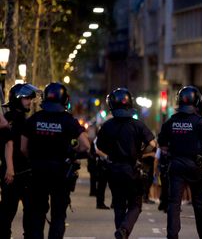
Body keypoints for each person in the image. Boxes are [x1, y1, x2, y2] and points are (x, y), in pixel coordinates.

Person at [21, 82, 90, 239]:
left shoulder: (34, 119)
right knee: (58, 215)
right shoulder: (68, 120)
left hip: (37, 173)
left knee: (37, 214)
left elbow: (23, 148)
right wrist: (74, 152)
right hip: (60, 173)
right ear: (64, 100)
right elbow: (86, 145)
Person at [158, 86, 202, 239]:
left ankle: (172, 235)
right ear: (196, 101)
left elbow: (163, 146)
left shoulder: (170, 122)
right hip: (194, 166)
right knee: (198, 203)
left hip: (175, 165)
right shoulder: (199, 122)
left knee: (174, 203)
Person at [96, 88, 156, 238]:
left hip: (113, 170)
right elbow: (153, 144)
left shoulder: (107, 125)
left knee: (119, 205)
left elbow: (100, 146)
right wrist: (140, 152)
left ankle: (121, 232)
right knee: (136, 204)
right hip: (132, 169)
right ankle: (124, 230)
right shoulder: (138, 125)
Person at [0, 83, 39, 239]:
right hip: (17, 173)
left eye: (30, 98)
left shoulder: (9, 119)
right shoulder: (19, 121)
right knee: (24, 210)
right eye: (26, 98)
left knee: (8, 211)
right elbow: (10, 144)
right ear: (17, 99)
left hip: (12, 172)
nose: (29, 101)